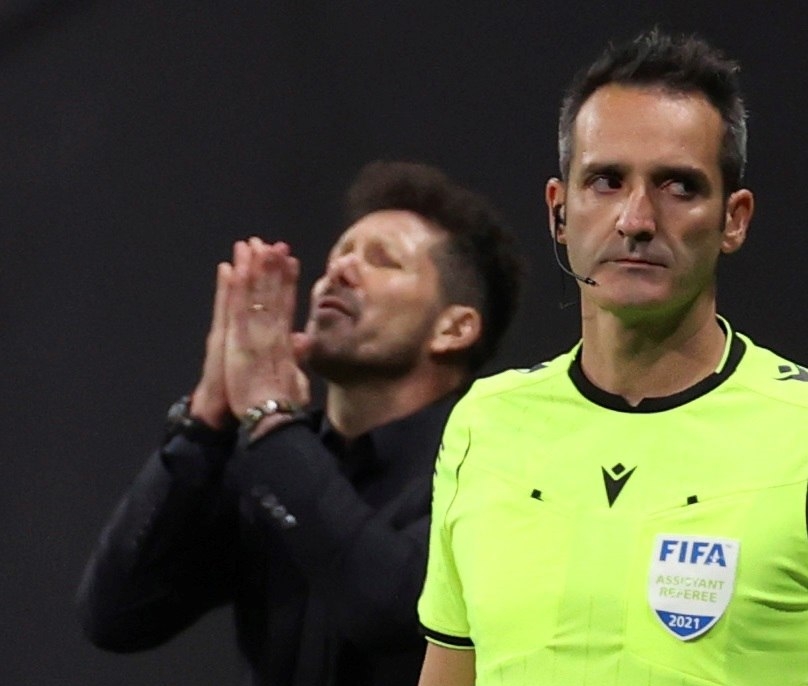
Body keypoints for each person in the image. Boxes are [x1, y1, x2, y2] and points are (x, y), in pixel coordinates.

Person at [417, 29, 808, 686]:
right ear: (559, 212)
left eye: (679, 186)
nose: (636, 218)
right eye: (605, 180)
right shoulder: (483, 424)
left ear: (734, 219)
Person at [77, 160, 522, 686]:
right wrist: (205, 417)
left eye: (384, 261)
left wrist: (269, 417)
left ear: (454, 329)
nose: (340, 271)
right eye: (340, 254)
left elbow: (390, 607)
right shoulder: (276, 459)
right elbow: (117, 616)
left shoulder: (497, 460)